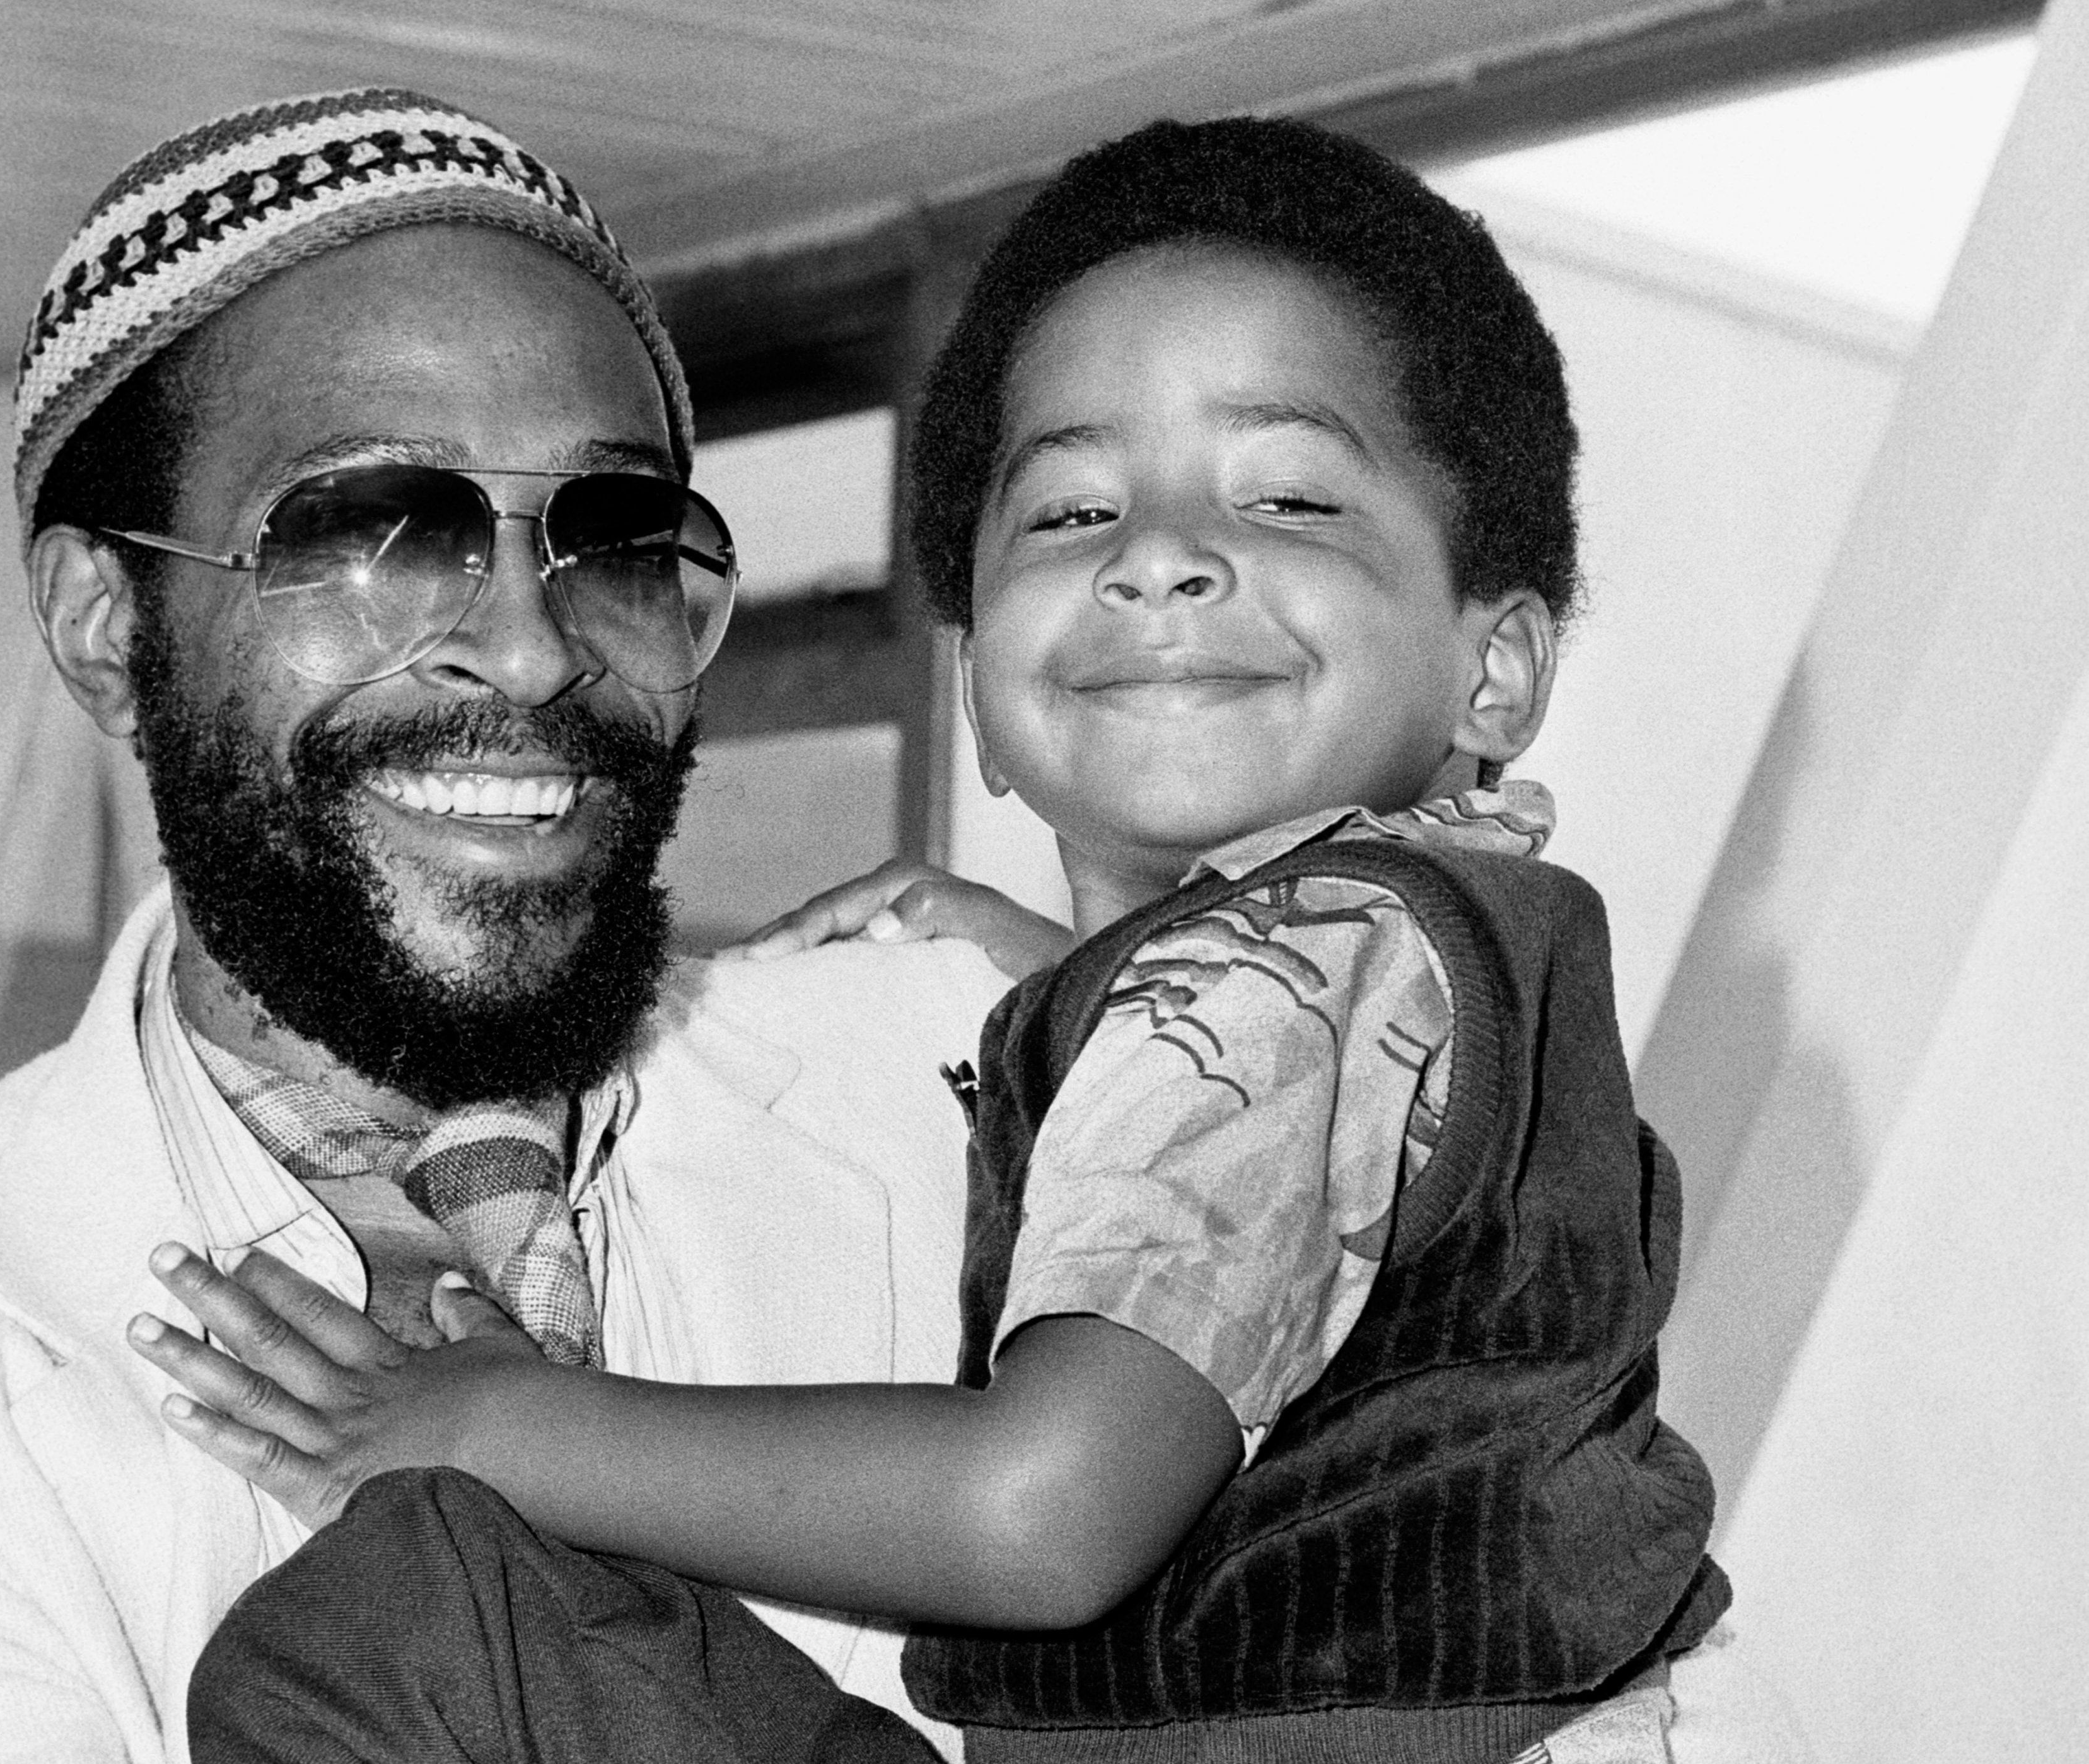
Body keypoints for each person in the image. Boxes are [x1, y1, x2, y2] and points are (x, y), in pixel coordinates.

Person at [134, 117, 1767, 1764]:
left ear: (1492, 669)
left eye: (1285, 494)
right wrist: (1070, 981)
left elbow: (1036, 1519)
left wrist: (509, 1423)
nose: (1159, 559)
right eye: (1069, 515)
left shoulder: (1260, 992)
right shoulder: (1412, 947)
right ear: (983, 688)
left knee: (409, 1618)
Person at [0, 88, 1038, 1764]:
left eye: (609, 542)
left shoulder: (959, 1084)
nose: (534, 652)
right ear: (106, 626)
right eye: (364, 537)